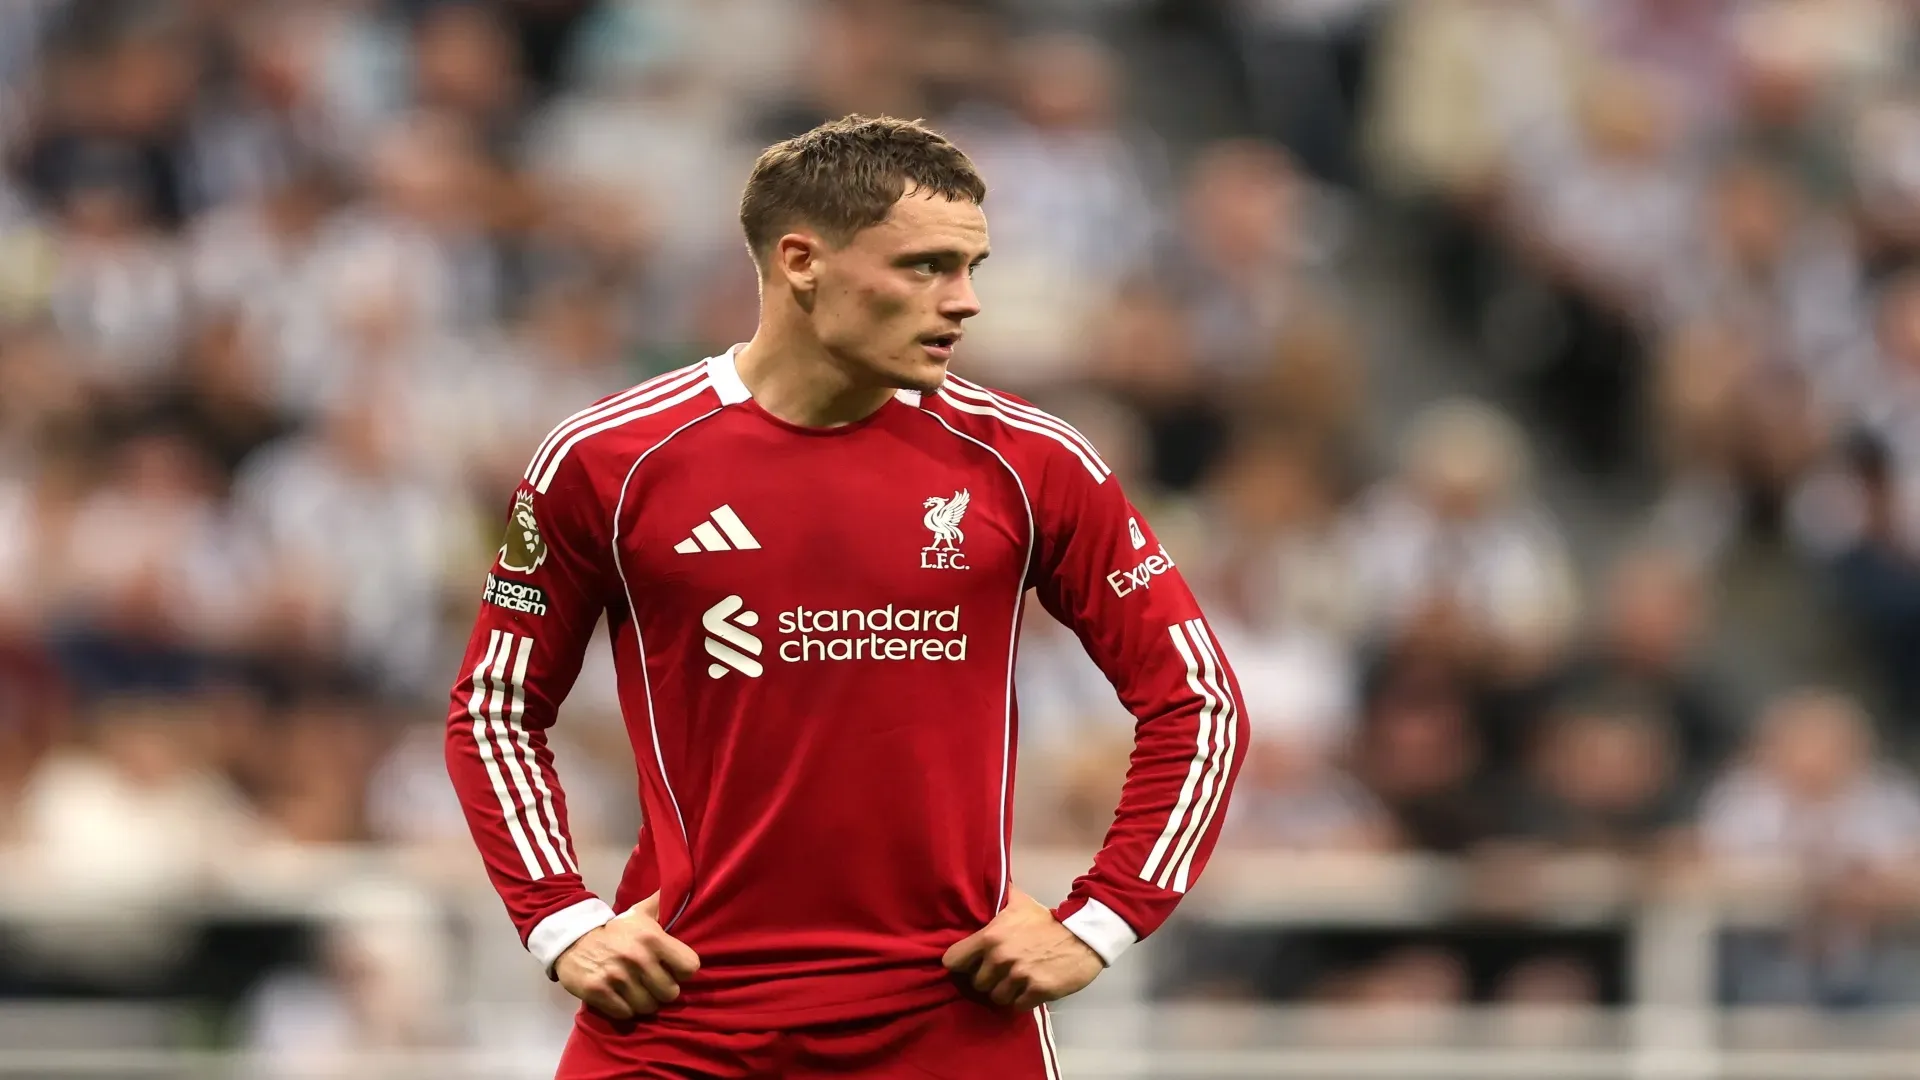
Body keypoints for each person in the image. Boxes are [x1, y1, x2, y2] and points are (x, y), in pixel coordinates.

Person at [442, 115, 1251, 1078]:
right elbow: (495, 706)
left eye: (973, 267)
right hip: (681, 1016)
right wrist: (561, 919)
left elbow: (1200, 703)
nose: (966, 302)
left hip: (948, 1018)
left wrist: (1103, 919)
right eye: (927, 267)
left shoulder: (1028, 462)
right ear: (801, 261)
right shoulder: (608, 459)